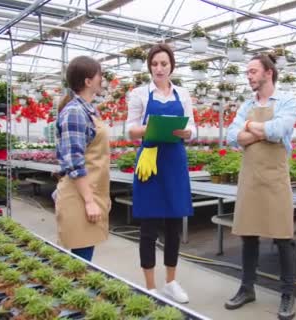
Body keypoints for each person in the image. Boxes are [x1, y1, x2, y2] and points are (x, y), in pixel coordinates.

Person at [224, 53, 296, 320]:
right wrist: (255, 130)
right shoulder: (246, 105)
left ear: (268, 73)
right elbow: (232, 136)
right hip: (250, 177)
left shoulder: (287, 100)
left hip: (276, 177)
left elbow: (279, 130)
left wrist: (250, 130)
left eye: (253, 71)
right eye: (247, 72)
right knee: (248, 233)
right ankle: (247, 289)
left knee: (283, 237)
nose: (249, 76)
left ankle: (288, 295)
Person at [126, 43, 197, 304]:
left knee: (173, 225)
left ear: (171, 66)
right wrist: (152, 127)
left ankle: (171, 282)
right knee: (149, 226)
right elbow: (130, 129)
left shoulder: (183, 94)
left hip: (175, 162)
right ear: (149, 67)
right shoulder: (139, 94)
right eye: (155, 64)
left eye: (164, 64)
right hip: (150, 162)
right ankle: (150, 286)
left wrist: (188, 133)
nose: (159, 68)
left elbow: (192, 127)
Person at [54, 56, 110, 262]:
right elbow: (74, 161)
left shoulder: (88, 110)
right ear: (88, 81)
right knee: (80, 263)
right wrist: (89, 202)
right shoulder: (75, 112)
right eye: (99, 76)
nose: (101, 80)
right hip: (80, 196)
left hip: (90, 192)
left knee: (84, 260)